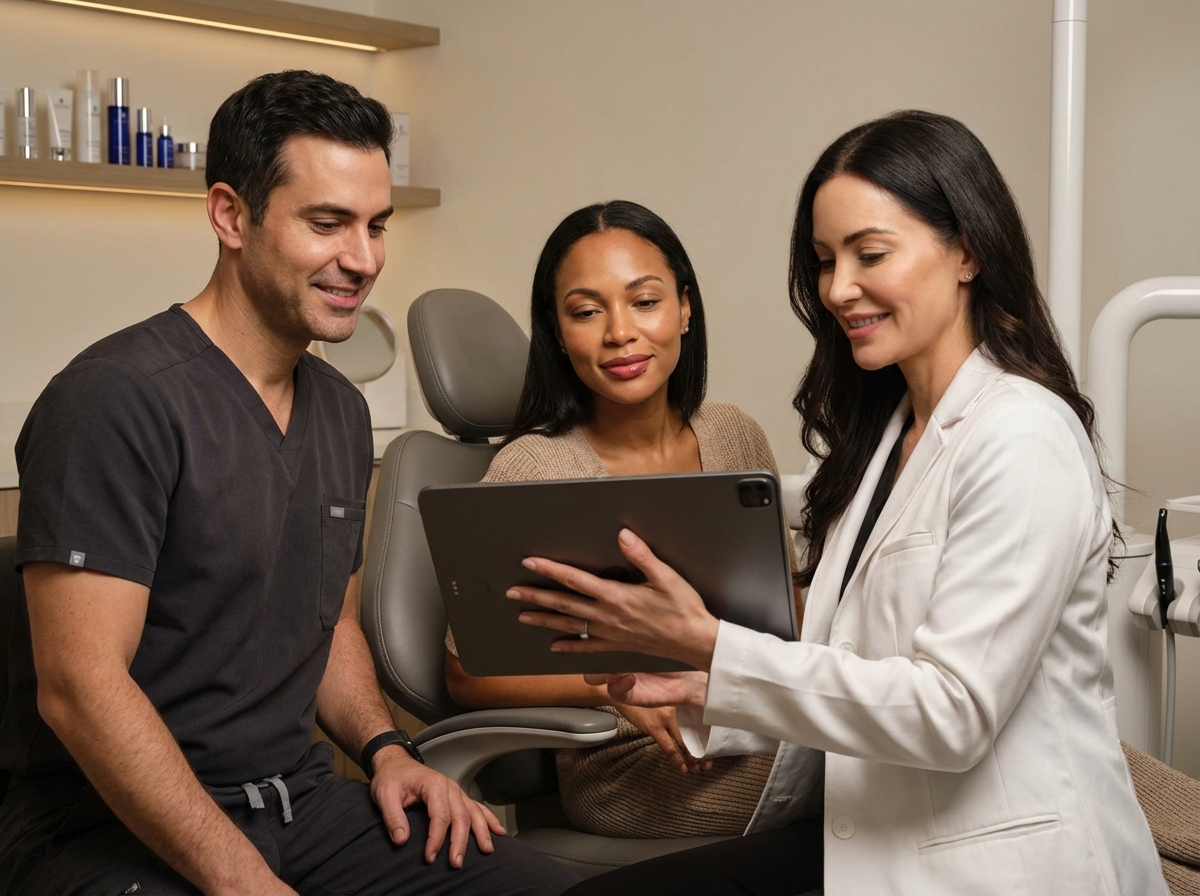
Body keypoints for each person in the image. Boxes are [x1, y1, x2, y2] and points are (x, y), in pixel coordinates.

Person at [508, 111, 1168, 895]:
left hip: (1002, 864)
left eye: (871, 254)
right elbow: (847, 661)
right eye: (825, 261)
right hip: (884, 835)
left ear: (969, 252)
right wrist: (693, 689)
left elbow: (951, 712)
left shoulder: (1020, 435)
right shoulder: (887, 438)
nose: (837, 289)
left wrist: (713, 648)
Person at [0, 71, 578, 896]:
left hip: (297, 807)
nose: (364, 258)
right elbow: (79, 689)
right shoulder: (115, 402)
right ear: (230, 215)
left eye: (377, 225)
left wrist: (386, 750)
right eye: (327, 223)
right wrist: (244, 883)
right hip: (105, 830)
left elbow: (329, 627)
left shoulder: (339, 412)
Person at [444, 200, 803, 839]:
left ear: (685, 308)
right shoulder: (533, 469)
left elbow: (787, 614)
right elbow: (467, 672)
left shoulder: (733, 436)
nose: (620, 333)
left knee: (881, 764)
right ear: (557, 332)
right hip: (636, 761)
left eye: (644, 301)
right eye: (586, 311)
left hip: (760, 720)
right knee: (863, 786)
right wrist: (611, 692)